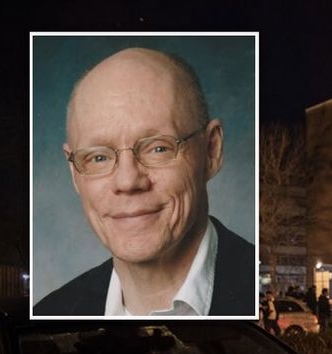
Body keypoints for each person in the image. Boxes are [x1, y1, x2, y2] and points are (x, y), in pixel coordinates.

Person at [33, 47, 255, 317]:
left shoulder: (261, 298)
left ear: (211, 151)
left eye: (158, 148)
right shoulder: (52, 315)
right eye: (99, 157)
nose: (127, 181)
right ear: (74, 174)